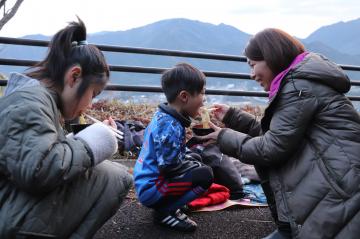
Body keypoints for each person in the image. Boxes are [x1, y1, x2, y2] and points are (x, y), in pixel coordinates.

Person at [199, 28, 360, 239]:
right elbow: (282, 134)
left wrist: (223, 137)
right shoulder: (298, 83)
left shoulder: (298, 88)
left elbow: (271, 147)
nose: (252, 74)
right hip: (332, 188)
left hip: (339, 194)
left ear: (271, 56)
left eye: (253, 64)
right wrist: (233, 116)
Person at [0, 18, 133, 239]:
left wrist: (85, 137)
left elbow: (34, 152)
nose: (90, 104)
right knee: (114, 177)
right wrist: (93, 143)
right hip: (8, 216)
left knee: (110, 174)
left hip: (10, 202)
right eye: (93, 93)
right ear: (74, 76)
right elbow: (37, 170)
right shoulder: (29, 103)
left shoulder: (37, 98)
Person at [133, 63, 214, 232]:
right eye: (201, 92)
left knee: (197, 160)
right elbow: (170, 167)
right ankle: (164, 211)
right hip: (153, 187)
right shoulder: (169, 125)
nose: (204, 98)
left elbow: (174, 154)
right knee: (205, 175)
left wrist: (194, 155)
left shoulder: (166, 117)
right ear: (184, 96)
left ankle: (171, 203)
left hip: (150, 182)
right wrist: (196, 165)